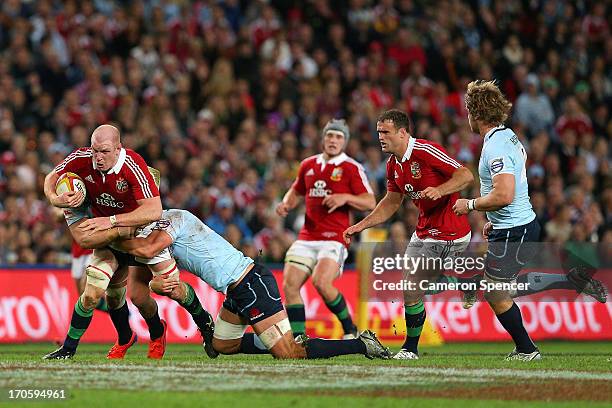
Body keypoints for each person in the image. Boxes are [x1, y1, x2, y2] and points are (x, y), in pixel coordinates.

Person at [113, 208, 391, 360]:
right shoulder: (152, 231)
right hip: (234, 291)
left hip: (251, 282)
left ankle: (361, 345)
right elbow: (150, 259)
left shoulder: (173, 219)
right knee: (222, 345)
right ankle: (276, 339)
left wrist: (108, 233)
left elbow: (148, 250)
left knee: (288, 354)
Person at [343, 109, 474, 360]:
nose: (380, 137)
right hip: (424, 230)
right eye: (378, 132)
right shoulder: (393, 164)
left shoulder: (425, 151)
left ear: (402, 133)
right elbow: (391, 203)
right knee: (411, 287)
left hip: (449, 231)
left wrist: (441, 189)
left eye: (386, 132)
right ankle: (466, 282)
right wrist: (361, 225)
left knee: (413, 283)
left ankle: (410, 349)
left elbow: (465, 175)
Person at [42, 124, 167, 359]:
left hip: (137, 234)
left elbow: (155, 211)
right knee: (94, 294)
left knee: (140, 298)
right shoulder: (81, 158)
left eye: (105, 151)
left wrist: (111, 221)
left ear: (119, 149)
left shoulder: (133, 164)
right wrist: (55, 199)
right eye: (95, 151)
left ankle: (158, 333)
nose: (98, 157)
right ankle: (71, 348)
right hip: (108, 237)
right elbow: (52, 176)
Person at [453, 79, 541, 361]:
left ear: (476, 114)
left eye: (468, 110)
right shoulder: (507, 136)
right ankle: (525, 348)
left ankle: (527, 350)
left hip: (516, 230)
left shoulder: (495, 148)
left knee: (496, 293)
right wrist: (494, 218)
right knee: (498, 289)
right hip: (513, 225)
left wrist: (471, 204)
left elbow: (504, 193)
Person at [276, 119, 376, 338]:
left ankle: (350, 329)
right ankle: (299, 338)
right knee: (290, 285)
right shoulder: (308, 165)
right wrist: (286, 204)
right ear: (323, 139)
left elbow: (370, 201)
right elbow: (295, 190)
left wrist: (345, 197)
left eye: (338, 137)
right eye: (330, 135)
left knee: (321, 282)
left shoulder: (351, 167)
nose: (333, 140)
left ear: (345, 142)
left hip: (334, 238)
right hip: (307, 236)